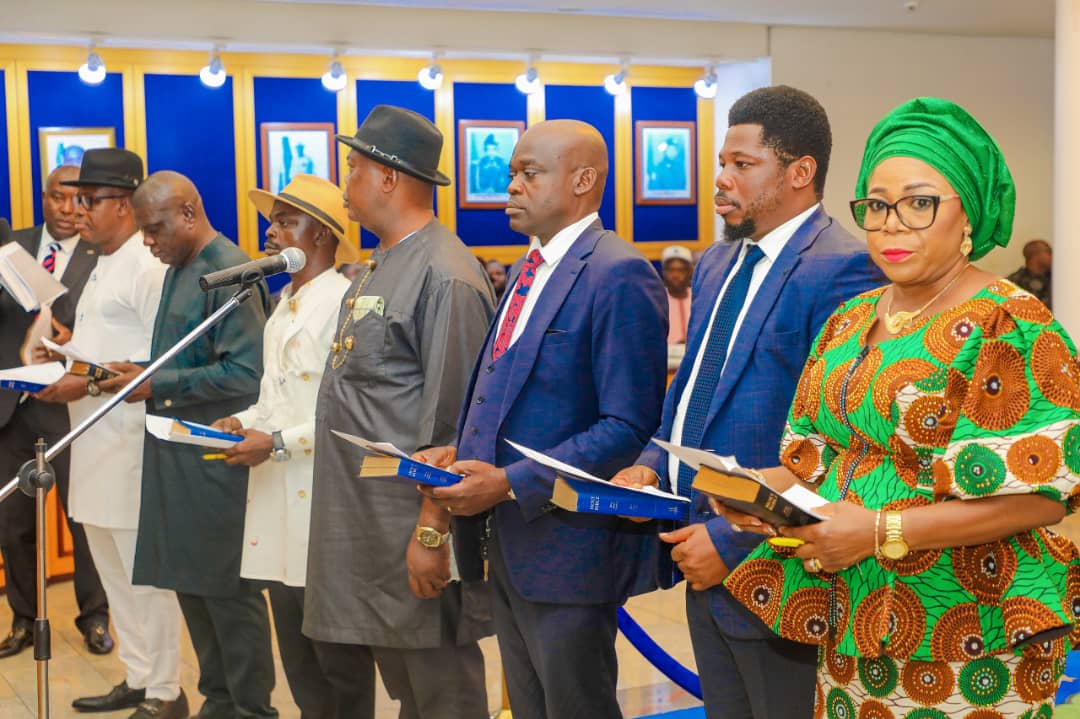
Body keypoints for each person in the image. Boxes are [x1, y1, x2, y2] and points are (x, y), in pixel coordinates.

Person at [719, 97, 1080, 718]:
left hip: (969, 628)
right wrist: (763, 494)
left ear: (969, 213)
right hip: (853, 614)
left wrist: (881, 531)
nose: (891, 225)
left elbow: (1043, 495)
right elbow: (827, 461)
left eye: (919, 203)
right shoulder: (851, 319)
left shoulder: (1010, 322)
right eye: (877, 205)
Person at [613, 85, 883, 719]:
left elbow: (841, 443)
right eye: (722, 163)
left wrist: (731, 540)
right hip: (698, 549)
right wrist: (651, 462)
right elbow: (692, 389)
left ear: (799, 172)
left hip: (778, 566)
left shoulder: (843, 268)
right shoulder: (716, 261)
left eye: (742, 164)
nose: (721, 179)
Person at [419, 119, 669, 719]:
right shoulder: (529, 268)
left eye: (529, 173)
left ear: (582, 181)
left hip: (567, 550)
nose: (512, 186)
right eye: (511, 173)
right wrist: (465, 451)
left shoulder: (617, 272)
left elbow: (627, 425)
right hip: (509, 542)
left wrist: (509, 482)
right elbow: (513, 391)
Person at [303, 105, 495, 719]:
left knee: (443, 696)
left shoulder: (446, 274)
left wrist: (431, 533)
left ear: (387, 176)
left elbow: (454, 427)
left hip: (410, 531)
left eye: (353, 168)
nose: (345, 183)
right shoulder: (383, 262)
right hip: (368, 530)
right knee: (412, 697)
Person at [100, 171, 276, 719]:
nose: (147, 241)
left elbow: (245, 373)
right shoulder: (179, 267)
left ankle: (249, 709)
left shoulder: (231, 271)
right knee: (193, 589)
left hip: (216, 457)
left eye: (155, 229)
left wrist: (158, 384)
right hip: (178, 454)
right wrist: (141, 372)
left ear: (189, 214)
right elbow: (188, 358)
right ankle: (217, 702)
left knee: (227, 594)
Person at [32, 149, 184, 718]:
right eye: (73, 199)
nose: (77, 211)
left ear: (124, 205)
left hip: (130, 447)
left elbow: (157, 363)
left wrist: (83, 381)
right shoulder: (104, 261)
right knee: (114, 576)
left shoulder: (148, 266)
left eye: (89, 200)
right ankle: (138, 677)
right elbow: (105, 348)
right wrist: (66, 350)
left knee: (145, 580)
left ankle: (166, 691)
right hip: (91, 443)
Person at [210, 174, 351, 719]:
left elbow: (344, 414)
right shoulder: (283, 302)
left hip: (322, 497)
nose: (271, 233)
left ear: (322, 234)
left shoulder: (342, 303)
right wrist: (241, 420)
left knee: (336, 659)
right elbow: (277, 398)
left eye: (286, 222)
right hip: (276, 496)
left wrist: (272, 441)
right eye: (273, 222)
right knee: (296, 654)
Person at [0, 164, 112, 659]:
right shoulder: (12, 246)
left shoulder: (103, 252)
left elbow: (113, 330)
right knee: (13, 524)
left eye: (77, 200)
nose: (67, 210)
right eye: (57, 198)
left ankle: (95, 617)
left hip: (70, 406)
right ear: (42, 198)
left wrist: (75, 344)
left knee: (82, 519)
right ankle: (24, 619)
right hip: (11, 411)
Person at [1006, 238, 1052, 308]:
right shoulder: (1014, 282)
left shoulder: (1055, 279)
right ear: (1035, 255)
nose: (1053, 255)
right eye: (1049, 251)